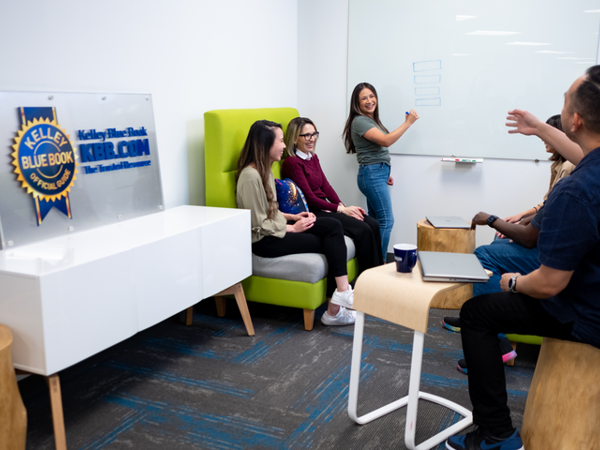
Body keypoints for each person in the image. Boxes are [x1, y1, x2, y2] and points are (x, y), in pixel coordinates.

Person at [446, 66, 600, 450]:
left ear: (576, 119)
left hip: (586, 314)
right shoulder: (590, 169)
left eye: (566, 98)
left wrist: (512, 282)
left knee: (477, 315)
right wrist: (539, 127)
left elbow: (549, 284)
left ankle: (495, 434)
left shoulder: (575, 191)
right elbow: (583, 154)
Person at [236, 120, 355, 326]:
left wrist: (293, 217)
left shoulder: (266, 170)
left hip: (277, 230)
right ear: (265, 144)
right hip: (267, 241)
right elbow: (257, 223)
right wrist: (291, 228)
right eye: (281, 141)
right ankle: (336, 307)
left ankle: (338, 301)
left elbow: (271, 210)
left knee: (332, 227)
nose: (284, 146)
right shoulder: (249, 176)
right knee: (331, 240)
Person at [281, 117, 384, 273]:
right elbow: (310, 198)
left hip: (325, 207)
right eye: (307, 135)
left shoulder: (313, 158)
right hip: (313, 211)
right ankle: (365, 282)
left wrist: (343, 206)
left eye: (314, 134)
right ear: (295, 138)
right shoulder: (292, 163)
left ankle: (377, 275)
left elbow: (325, 186)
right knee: (362, 229)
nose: (312, 139)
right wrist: (340, 210)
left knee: (373, 223)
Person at [342, 82, 419, 258]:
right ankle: (379, 263)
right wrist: (407, 123)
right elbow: (386, 141)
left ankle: (372, 262)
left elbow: (378, 148)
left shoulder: (369, 120)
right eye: (364, 98)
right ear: (357, 102)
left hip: (376, 173)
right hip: (372, 174)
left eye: (371, 96)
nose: (369, 101)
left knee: (376, 221)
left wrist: (385, 172)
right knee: (386, 221)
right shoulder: (360, 120)